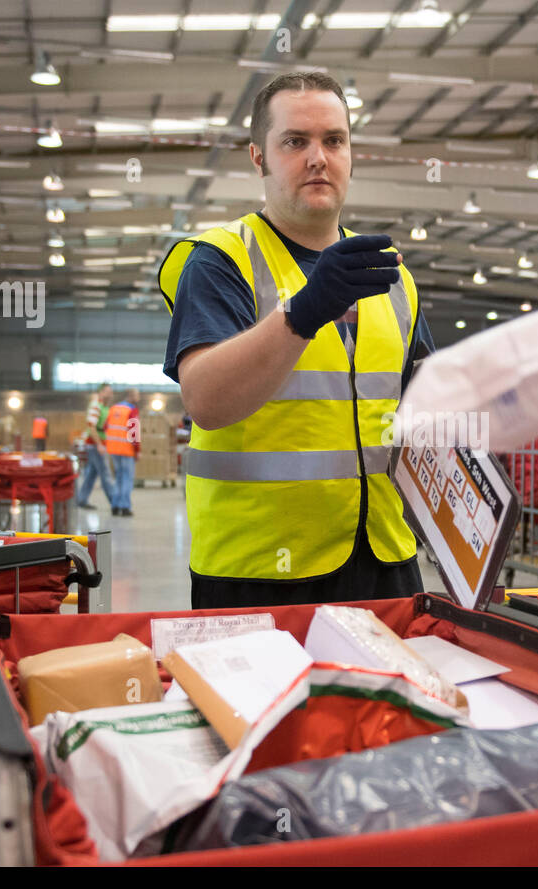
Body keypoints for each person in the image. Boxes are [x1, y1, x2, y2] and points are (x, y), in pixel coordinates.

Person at [160, 70, 435, 610]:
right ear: (257, 157)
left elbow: (427, 414)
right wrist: (304, 312)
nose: (318, 157)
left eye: (334, 140)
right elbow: (207, 402)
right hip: (258, 571)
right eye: (295, 142)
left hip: (386, 561)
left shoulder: (390, 274)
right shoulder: (220, 260)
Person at [75, 383, 114, 511]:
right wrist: (99, 444)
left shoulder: (103, 407)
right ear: (101, 392)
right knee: (105, 474)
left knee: (91, 474)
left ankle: (81, 499)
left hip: (98, 443)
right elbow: (91, 427)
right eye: (108, 391)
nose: (111, 394)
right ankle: (115, 502)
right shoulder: (96, 406)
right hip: (94, 445)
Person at [104, 388, 140, 517]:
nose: (139, 398)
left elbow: (105, 426)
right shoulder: (132, 410)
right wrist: (137, 451)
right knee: (127, 479)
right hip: (126, 449)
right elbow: (134, 432)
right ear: (131, 396)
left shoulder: (113, 408)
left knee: (118, 478)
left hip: (113, 448)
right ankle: (125, 507)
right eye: (137, 395)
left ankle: (115, 506)